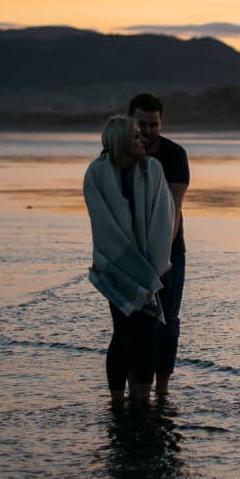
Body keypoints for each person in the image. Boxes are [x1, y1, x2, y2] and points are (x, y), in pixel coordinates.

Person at [84, 115, 176, 405]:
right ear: (120, 139)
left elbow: (163, 216)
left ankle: (142, 399)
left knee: (148, 332)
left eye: (142, 134)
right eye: (136, 135)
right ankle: (116, 401)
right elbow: (102, 223)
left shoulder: (153, 168)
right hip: (116, 265)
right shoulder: (96, 173)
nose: (143, 139)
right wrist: (125, 260)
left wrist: (158, 265)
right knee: (123, 332)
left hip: (150, 264)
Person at [128, 92, 190, 397]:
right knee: (133, 323)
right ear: (131, 122)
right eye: (143, 124)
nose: (150, 131)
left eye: (154, 124)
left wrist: (163, 258)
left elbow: (174, 209)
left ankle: (163, 393)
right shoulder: (118, 153)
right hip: (129, 253)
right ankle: (135, 391)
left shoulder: (174, 155)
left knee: (168, 323)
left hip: (170, 251)